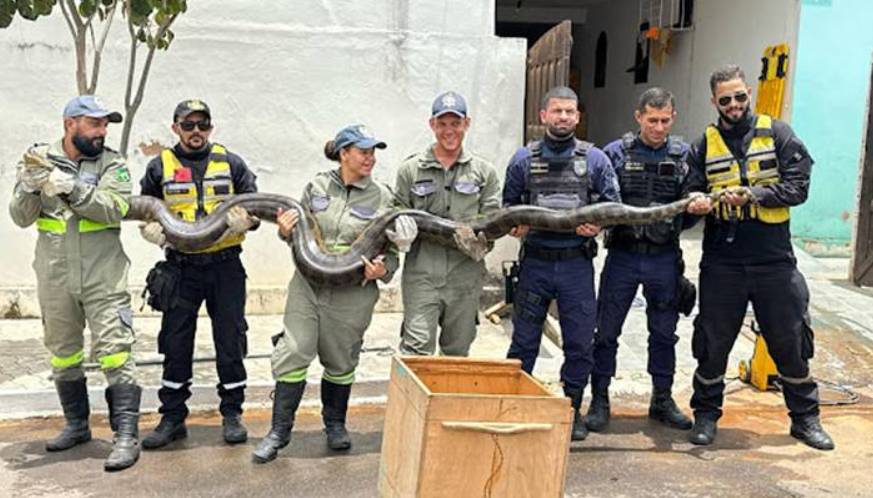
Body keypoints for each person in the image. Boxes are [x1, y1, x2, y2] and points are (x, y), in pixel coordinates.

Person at [684, 64, 834, 450]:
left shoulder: (779, 133)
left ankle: (805, 420)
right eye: (725, 99)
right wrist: (696, 203)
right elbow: (689, 191)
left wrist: (754, 196)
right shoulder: (704, 143)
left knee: (790, 340)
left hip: (773, 260)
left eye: (739, 97)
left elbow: (798, 187)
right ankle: (705, 416)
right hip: (722, 262)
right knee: (713, 342)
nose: (733, 105)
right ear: (714, 101)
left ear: (748, 92)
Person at [252, 125, 417, 463]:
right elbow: (299, 233)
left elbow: (392, 256)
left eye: (373, 152)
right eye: (363, 151)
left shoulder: (384, 198)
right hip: (308, 287)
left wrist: (381, 270)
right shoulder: (316, 187)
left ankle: (335, 424)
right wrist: (286, 232)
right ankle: (279, 431)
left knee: (341, 361)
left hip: (352, 293)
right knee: (294, 350)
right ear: (344, 154)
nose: (370, 158)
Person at [9, 95, 141, 471]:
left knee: (115, 350)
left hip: (103, 274)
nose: (102, 131)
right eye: (95, 123)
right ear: (71, 124)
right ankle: (77, 425)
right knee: (63, 351)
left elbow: (115, 207)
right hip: (55, 275)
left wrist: (71, 188)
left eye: (105, 125)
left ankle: (126, 437)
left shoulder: (112, 163)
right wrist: (32, 186)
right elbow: (20, 217)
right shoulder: (38, 159)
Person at [138, 99, 259, 449]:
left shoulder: (231, 163)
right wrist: (151, 230)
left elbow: (256, 205)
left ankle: (232, 414)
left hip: (225, 266)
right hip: (180, 269)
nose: (195, 131)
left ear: (210, 127)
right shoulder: (159, 166)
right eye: (187, 125)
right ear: (175, 127)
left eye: (201, 125)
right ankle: (172, 418)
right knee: (175, 343)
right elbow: (145, 209)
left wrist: (247, 220)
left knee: (230, 339)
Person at [503, 86, 620, 441]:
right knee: (523, 342)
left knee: (580, 343)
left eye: (570, 112)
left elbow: (614, 207)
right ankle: (514, 406)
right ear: (544, 116)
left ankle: (571, 409)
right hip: (535, 265)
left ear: (577, 116)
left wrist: (598, 225)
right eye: (557, 111)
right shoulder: (523, 159)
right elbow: (507, 208)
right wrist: (515, 225)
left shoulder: (596, 159)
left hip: (576, 267)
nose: (564, 118)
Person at [586, 88, 693, 433]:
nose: (658, 127)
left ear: (672, 118)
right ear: (638, 117)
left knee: (664, 333)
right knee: (606, 332)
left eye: (664, 121)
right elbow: (597, 196)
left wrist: (671, 227)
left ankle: (662, 399)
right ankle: (600, 399)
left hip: (664, 259)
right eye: (652, 120)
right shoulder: (615, 154)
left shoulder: (684, 155)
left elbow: (691, 207)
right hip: (623, 257)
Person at [394, 91, 502, 357]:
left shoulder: (483, 172)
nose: (449, 130)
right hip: (422, 274)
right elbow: (396, 209)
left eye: (455, 123)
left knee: (457, 350)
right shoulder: (411, 170)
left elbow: (493, 219)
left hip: (465, 275)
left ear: (466, 124)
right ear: (432, 125)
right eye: (442, 123)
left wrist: (483, 238)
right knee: (416, 348)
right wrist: (398, 230)